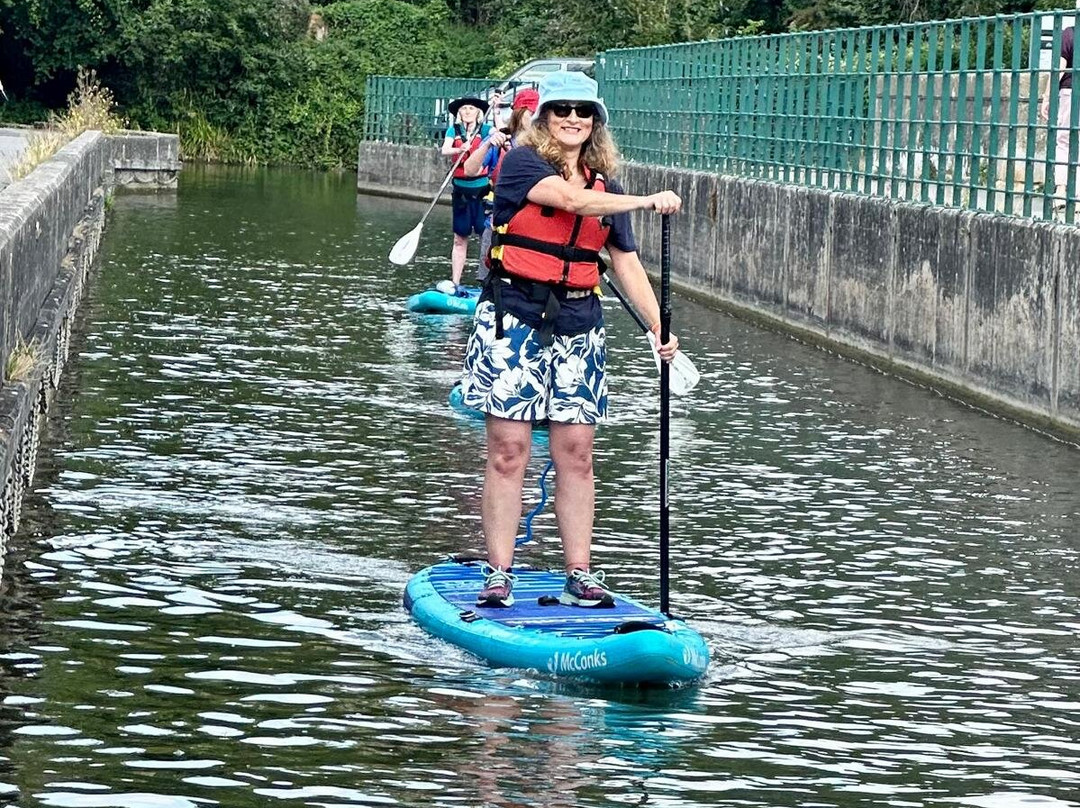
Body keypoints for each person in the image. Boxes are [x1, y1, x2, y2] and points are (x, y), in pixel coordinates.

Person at [459, 72, 682, 609]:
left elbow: (624, 264)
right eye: (562, 110)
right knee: (510, 452)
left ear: (595, 123)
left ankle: (580, 573)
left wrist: (659, 328)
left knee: (576, 454)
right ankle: (499, 571)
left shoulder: (608, 185)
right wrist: (647, 200)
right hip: (512, 317)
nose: (573, 120)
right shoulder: (521, 164)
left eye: (584, 112)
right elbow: (569, 202)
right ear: (545, 118)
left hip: (579, 325)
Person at [463, 87, 541, 282]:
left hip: (533, 229)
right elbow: (469, 170)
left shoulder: (548, 147)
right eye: (532, 113)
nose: (536, 120)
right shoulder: (500, 139)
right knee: (489, 279)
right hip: (499, 226)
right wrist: (488, 145)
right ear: (520, 113)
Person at [441, 96, 494, 287]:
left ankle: (487, 282)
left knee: (485, 236)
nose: (467, 112)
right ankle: (455, 282)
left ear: (478, 112)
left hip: (482, 190)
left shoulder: (487, 130)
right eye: (464, 109)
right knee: (459, 238)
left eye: (471, 109)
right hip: (461, 190)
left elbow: (502, 134)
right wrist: (459, 150)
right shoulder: (453, 131)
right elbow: (445, 150)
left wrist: (496, 111)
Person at [1041, 25, 1076, 213]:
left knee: (1063, 140)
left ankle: (1062, 189)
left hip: (1070, 91)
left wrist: (1047, 96)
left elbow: (1059, 68)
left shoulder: (1070, 33)